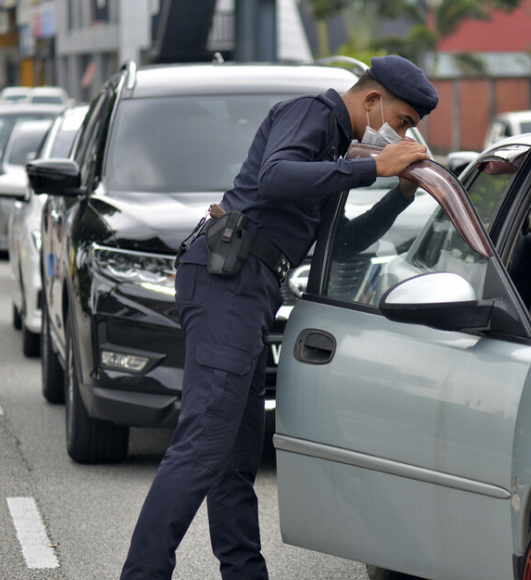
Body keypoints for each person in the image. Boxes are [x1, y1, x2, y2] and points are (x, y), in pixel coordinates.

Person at [120, 55, 439, 580]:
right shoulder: (314, 114)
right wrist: (371, 167)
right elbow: (274, 178)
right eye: (402, 122)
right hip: (229, 282)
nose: (400, 134)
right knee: (202, 447)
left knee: (232, 461)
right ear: (373, 100)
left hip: (248, 290)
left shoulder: (337, 149)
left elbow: (346, 242)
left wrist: (398, 197)